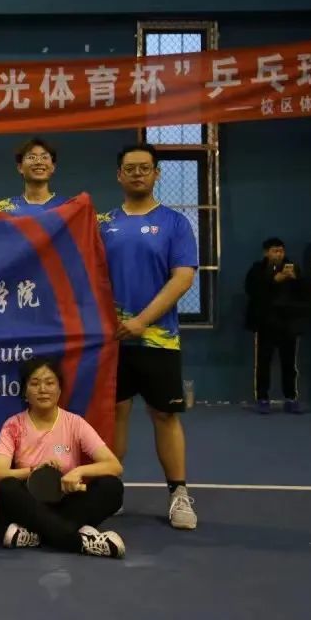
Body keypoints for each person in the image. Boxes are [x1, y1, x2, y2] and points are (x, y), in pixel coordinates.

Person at [99, 144, 199, 530]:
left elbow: (183, 278)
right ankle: (110, 490)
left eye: (145, 168)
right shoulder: (103, 223)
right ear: (118, 175)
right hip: (112, 341)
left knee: (165, 414)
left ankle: (179, 494)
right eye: (130, 168)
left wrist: (142, 320)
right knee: (115, 414)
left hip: (159, 339)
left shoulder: (175, 223)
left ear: (157, 173)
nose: (138, 174)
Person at [0, 358, 125, 558]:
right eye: (35, 383)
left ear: (60, 390)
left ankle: (37, 534)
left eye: (50, 383)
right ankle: (80, 542)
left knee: (111, 487)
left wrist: (78, 471)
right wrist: (33, 470)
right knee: (6, 488)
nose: (43, 389)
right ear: (25, 391)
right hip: (30, 503)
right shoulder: (13, 426)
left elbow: (114, 466)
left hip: (67, 504)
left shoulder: (75, 423)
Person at [244, 237, 311, 414]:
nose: (279, 254)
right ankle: (262, 398)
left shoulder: (293, 268)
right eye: (275, 251)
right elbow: (252, 289)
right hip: (266, 323)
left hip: (288, 323)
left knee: (289, 363)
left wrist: (296, 279)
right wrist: (275, 280)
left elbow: (308, 289)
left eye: (281, 251)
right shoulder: (257, 270)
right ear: (266, 253)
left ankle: (290, 398)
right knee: (263, 362)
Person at [0, 137, 67, 216]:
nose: (38, 162)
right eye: (32, 157)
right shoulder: (4, 207)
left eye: (44, 157)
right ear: (20, 168)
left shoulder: (66, 206)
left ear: (53, 167)